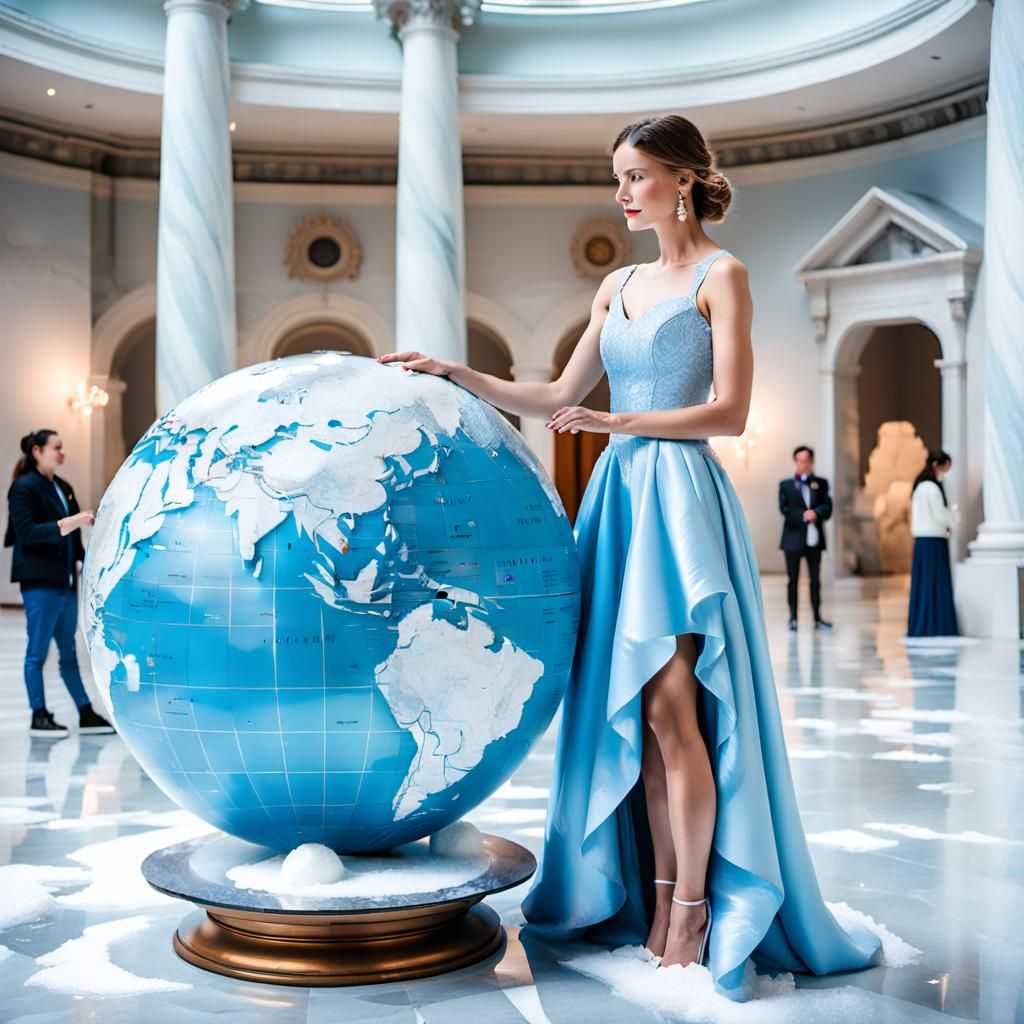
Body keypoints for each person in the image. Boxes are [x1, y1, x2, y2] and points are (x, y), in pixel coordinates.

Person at [379, 114, 880, 999]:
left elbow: (727, 411)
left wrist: (620, 423)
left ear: (683, 179)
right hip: (617, 502)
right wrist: (457, 373)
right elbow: (558, 392)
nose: (621, 194)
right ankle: (656, 900)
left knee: (675, 710)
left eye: (636, 176)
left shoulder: (723, 277)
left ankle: (694, 906)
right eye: (617, 177)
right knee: (640, 719)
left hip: (679, 501)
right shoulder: (618, 283)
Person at [5, 429, 114, 739]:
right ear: (37, 451)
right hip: (40, 582)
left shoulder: (62, 487)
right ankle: (38, 715)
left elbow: (75, 542)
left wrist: (90, 566)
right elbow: (27, 532)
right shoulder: (23, 488)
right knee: (37, 652)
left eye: (62, 448)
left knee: (68, 652)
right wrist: (71, 522)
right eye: (56, 448)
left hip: (66, 584)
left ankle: (84, 712)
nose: (61, 453)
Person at [778, 445, 833, 631]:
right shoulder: (785, 485)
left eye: (807, 460)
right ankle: (793, 617)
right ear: (795, 461)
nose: (803, 464)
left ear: (811, 461)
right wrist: (803, 515)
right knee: (793, 580)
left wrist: (816, 513)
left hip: (814, 540)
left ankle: (817, 617)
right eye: (800, 460)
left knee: (815, 580)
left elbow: (827, 507)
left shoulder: (821, 483)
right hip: (793, 540)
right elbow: (785, 510)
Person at [907, 449, 958, 637]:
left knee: (924, 584)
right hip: (934, 541)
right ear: (937, 465)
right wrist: (952, 518)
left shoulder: (919, 487)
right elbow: (939, 515)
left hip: (921, 542)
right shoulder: (933, 488)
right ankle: (937, 625)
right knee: (936, 584)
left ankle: (922, 624)